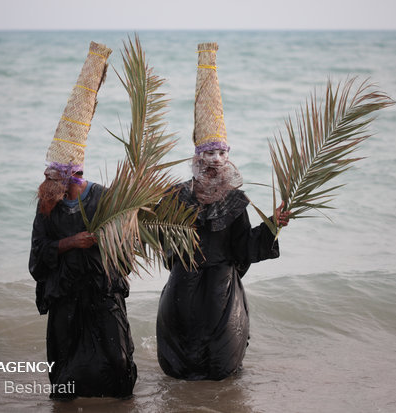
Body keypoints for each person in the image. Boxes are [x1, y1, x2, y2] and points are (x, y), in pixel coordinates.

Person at [156, 42, 291, 381]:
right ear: (196, 158)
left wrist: (273, 224)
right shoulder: (174, 196)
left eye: (221, 152)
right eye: (208, 153)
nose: (215, 160)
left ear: (227, 157)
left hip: (220, 295)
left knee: (220, 372)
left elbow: (244, 247)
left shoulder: (235, 201)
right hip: (181, 292)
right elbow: (156, 238)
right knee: (179, 373)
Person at [29, 42, 137, 399]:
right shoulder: (47, 204)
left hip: (102, 291)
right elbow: (37, 254)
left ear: (75, 177)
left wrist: (110, 237)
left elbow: (128, 247)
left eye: (57, 181)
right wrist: (71, 243)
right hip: (66, 294)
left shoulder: (102, 196)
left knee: (117, 363)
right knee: (65, 368)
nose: (50, 188)